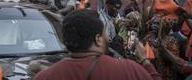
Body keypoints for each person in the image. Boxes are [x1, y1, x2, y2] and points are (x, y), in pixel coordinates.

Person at [33, 10, 161, 80]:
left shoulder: (44, 76)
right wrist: (144, 60)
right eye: (105, 33)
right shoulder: (130, 69)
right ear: (98, 39)